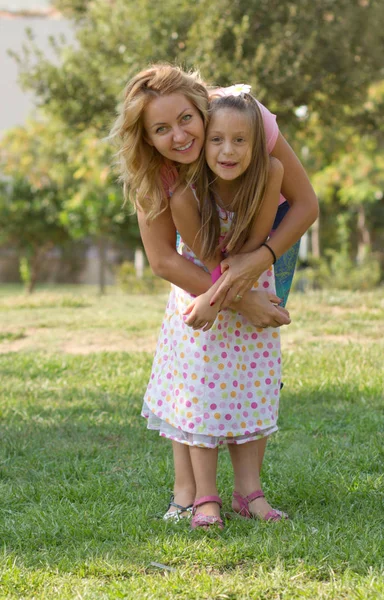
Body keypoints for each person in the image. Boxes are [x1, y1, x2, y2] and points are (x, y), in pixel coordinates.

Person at [111, 64, 318, 521]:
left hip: (267, 241)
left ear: (203, 109)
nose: (180, 136)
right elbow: (165, 259)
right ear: (146, 137)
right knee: (198, 370)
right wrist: (235, 295)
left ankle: (245, 491)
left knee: (247, 364)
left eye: (187, 120)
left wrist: (257, 261)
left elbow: (305, 203)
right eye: (161, 129)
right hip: (202, 264)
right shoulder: (162, 172)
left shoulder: (244, 121)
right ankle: (190, 492)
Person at [143, 92, 289, 528]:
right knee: (201, 400)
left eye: (240, 141)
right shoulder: (186, 193)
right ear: (205, 145)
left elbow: (247, 249)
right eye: (218, 140)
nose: (228, 151)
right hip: (203, 294)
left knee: (251, 394)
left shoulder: (271, 174)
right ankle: (205, 497)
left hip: (244, 284)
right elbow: (209, 259)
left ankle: (252, 494)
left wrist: (225, 292)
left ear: (255, 144)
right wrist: (212, 299)